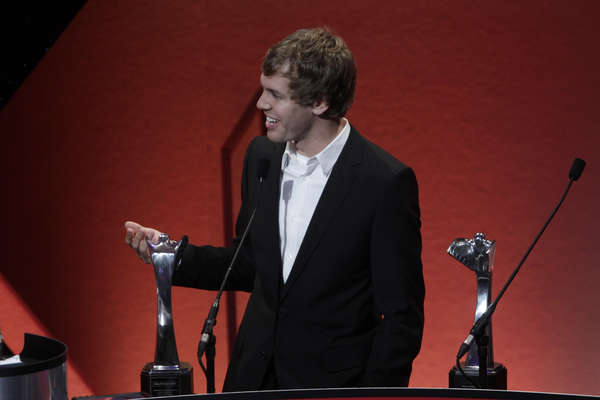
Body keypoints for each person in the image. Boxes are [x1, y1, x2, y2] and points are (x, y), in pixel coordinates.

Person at [125, 27, 424, 391]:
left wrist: (371, 398)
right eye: (263, 90)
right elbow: (249, 264)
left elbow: (402, 318)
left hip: (330, 389)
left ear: (320, 102)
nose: (261, 104)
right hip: (252, 381)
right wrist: (170, 257)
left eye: (275, 95)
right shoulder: (261, 157)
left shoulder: (383, 182)